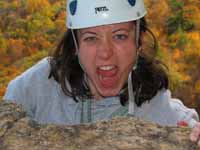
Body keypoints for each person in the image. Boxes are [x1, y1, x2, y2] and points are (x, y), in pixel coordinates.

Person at [3, 0, 200, 144]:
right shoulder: (39, 85)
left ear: (139, 41)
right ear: (76, 46)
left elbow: (184, 122)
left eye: (120, 36)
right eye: (91, 38)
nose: (105, 53)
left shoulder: (154, 105)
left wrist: (194, 131)